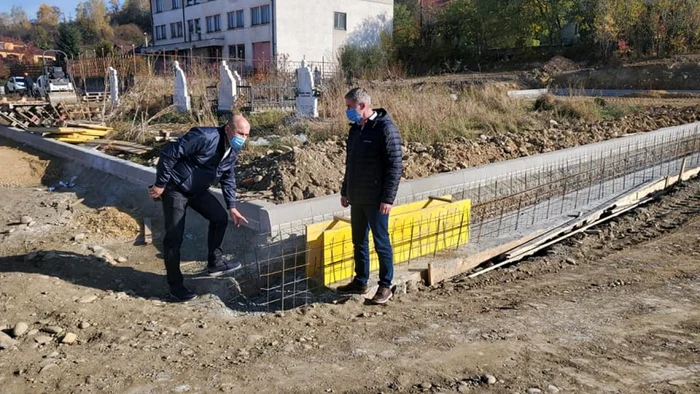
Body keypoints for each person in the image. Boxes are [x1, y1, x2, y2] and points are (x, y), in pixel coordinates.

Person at [148, 114, 250, 302]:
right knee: (174, 237)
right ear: (228, 129)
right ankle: (176, 286)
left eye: (246, 135)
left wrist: (232, 206)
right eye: (240, 133)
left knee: (219, 218)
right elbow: (170, 153)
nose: (242, 139)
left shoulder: (233, 149)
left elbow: (228, 177)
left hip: (197, 189)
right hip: (175, 188)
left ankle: (215, 263)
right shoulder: (204, 136)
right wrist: (161, 184)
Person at [337, 87, 403, 304]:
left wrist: (387, 198)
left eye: (349, 107)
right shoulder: (356, 129)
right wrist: (346, 190)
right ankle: (361, 280)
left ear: (362, 105)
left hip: (376, 200)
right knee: (359, 241)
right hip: (357, 196)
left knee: (381, 242)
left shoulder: (385, 129)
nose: (347, 111)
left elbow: (394, 166)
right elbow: (351, 163)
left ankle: (386, 285)